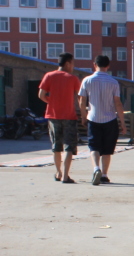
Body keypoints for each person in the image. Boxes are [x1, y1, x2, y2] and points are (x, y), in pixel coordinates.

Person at [77, 55, 126, 185]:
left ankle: (96, 168)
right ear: (108, 66)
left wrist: (83, 116)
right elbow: (118, 103)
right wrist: (122, 122)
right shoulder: (113, 82)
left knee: (94, 146)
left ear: (94, 64)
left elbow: (82, 101)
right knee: (107, 149)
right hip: (110, 119)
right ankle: (104, 175)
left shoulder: (87, 80)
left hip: (93, 118)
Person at [39, 53, 82, 183]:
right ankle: (66, 176)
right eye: (73, 63)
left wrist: (51, 102)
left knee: (56, 146)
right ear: (68, 63)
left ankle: (58, 172)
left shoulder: (49, 76)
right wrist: (84, 113)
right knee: (69, 146)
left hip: (53, 115)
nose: (73, 66)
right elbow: (80, 97)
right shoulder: (73, 78)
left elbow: (41, 94)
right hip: (69, 116)